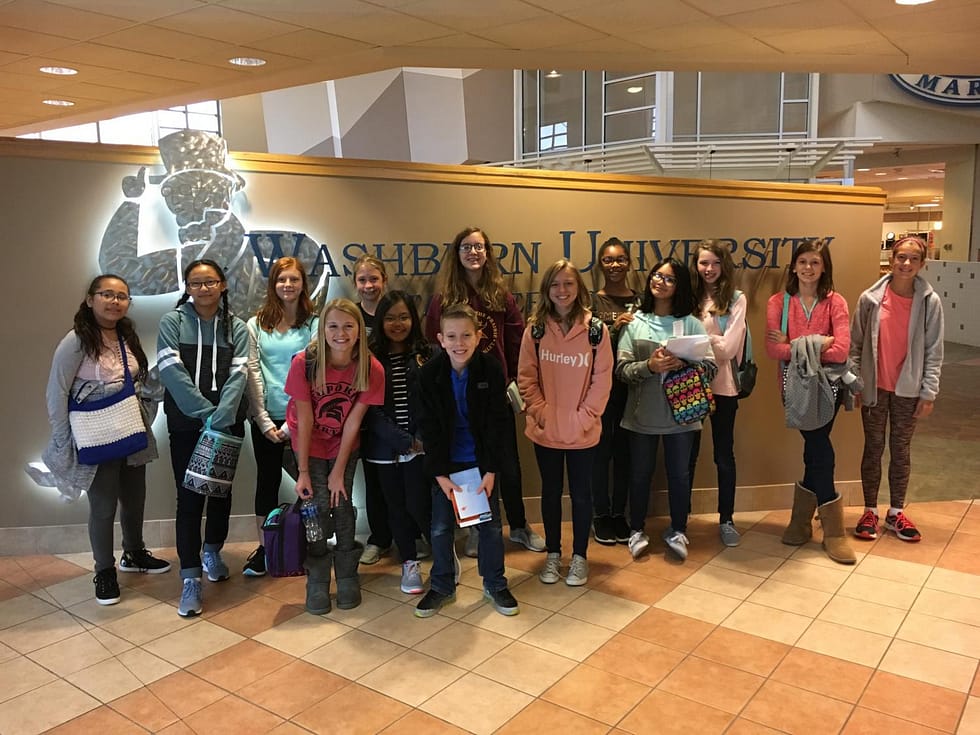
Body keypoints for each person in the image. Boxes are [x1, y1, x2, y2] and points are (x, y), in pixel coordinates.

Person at [42, 275, 169, 605]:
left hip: (130, 426)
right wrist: (61, 439)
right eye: (107, 294)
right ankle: (104, 570)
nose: (114, 301)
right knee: (103, 505)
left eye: (122, 296)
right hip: (96, 432)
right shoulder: (76, 340)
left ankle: (134, 553)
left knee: (135, 496)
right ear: (90, 299)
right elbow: (56, 391)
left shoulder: (127, 334)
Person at [424, 226, 544, 557]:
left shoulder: (500, 296)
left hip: (497, 391)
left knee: (508, 463)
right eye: (466, 247)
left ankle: (519, 526)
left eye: (479, 247)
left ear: (488, 253)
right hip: (459, 393)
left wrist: (515, 382)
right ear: (457, 254)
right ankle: (477, 527)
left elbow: (517, 340)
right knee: (467, 462)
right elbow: (434, 343)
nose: (473, 253)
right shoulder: (443, 299)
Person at [415, 303, 521, 617]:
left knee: (489, 527)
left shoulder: (490, 369)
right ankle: (442, 585)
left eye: (465, 335)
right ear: (440, 339)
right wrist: (440, 475)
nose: (459, 343)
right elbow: (428, 428)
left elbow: (498, 426)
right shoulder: (429, 374)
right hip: (446, 467)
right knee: (440, 529)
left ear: (477, 337)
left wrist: (490, 471)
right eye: (451, 336)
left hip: (481, 464)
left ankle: (495, 583)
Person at [158, 259, 248, 617]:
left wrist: (222, 416)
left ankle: (212, 550)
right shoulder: (172, 322)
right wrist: (204, 413)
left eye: (210, 282)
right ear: (188, 287)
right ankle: (191, 577)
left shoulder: (236, 327)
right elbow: (170, 369)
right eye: (196, 283)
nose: (204, 289)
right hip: (185, 423)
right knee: (189, 497)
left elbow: (240, 374)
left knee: (220, 493)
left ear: (223, 285)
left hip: (227, 424)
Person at [285, 298, 385, 614]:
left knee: (341, 505)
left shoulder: (371, 366)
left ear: (359, 330)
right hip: (308, 445)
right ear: (323, 328)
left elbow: (354, 420)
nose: (340, 333)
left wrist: (339, 470)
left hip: (344, 444)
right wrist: (302, 470)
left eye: (348, 326)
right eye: (333, 326)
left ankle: (346, 573)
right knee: (314, 508)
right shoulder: (305, 362)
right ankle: (316, 578)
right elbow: (305, 417)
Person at [518, 260, 612, 586]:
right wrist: (543, 413)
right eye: (555, 284)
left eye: (568, 284)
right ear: (547, 290)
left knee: (582, 495)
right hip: (546, 430)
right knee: (550, 492)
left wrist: (583, 418)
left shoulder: (597, 331)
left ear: (579, 288)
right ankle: (554, 554)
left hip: (583, 431)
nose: (562, 291)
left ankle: (581, 557)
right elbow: (526, 378)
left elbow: (602, 381)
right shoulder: (536, 330)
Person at [617, 258, 716, 561]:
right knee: (639, 474)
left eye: (669, 279)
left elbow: (710, 368)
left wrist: (683, 363)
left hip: (682, 416)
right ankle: (636, 529)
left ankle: (678, 529)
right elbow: (621, 370)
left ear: (679, 286)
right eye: (657, 276)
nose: (660, 282)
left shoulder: (692, 323)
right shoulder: (635, 321)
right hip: (641, 415)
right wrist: (650, 365)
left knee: (680, 475)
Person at [765, 239, 856, 565]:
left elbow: (842, 350)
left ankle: (817, 526)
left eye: (815, 262)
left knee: (817, 447)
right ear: (794, 266)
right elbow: (774, 350)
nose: (808, 268)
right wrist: (820, 343)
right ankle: (819, 525)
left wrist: (795, 344)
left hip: (828, 387)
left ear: (824, 267)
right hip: (791, 388)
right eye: (803, 261)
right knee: (817, 447)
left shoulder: (836, 303)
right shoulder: (779, 302)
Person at [850, 236, 944, 543]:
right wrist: (855, 382)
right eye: (901, 257)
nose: (906, 264)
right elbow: (856, 345)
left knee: (901, 450)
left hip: (909, 390)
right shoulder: (870, 299)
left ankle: (896, 511)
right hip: (874, 388)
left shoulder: (930, 303)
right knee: (873, 448)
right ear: (892, 259)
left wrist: (928, 392)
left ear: (922, 264)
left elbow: (934, 350)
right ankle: (869, 511)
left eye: (913, 259)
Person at [244, 257, 318, 576]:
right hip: (266, 417)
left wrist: (293, 424)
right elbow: (253, 372)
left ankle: (315, 544)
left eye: (294, 279)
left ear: (303, 284)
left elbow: (315, 372)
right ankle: (267, 548)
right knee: (267, 482)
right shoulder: (256, 323)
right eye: (281, 280)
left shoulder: (315, 323)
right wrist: (264, 420)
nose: (287, 285)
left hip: (305, 416)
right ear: (272, 284)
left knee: (313, 481)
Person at [363, 291, 433, 594]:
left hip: (421, 449)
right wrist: (402, 440)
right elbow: (368, 409)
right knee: (396, 509)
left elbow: (437, 404)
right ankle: (409, 565)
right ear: (380, 321)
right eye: (390, 317)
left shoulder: (429, 353)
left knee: (422, 505)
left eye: (404, 316)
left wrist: (420, 440)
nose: (397, 323)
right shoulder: (368, 356)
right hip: (384, 450)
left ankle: (444, 557)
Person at [689, 240, 747, 547]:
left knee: (723, 455)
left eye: (714, 263)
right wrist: (711, 339)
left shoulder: (736, 299)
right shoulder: (688, 296)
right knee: (687, 456)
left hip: (724, 388)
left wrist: (696, 342)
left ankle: (726, 519)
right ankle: (679, 520)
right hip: (689, 386)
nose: (708, 269)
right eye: (703, 263)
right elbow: (678, 341)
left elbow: (728, 350)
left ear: (724, 265)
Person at [589, 237, 641, 546]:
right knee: (600, 452)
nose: (615, 265)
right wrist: (614, 328)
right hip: (601, 389)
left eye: (620, 259)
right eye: (608, 260)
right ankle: (600, 515)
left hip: (633, 388)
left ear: (629, 263)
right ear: (600, 264)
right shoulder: (593, 302)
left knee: (626, 454)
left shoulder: (642, 299)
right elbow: (587, 344)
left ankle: (619, 514)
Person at [351, 254, 395, 566]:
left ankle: (412, 533)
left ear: (384, 281)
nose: (369, 285)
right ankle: (379, 538)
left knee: (406, 477)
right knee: (375, 479)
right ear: (355, 284)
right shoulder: (349, 317)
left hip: (397, 405)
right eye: (363, 280)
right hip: (364, 410)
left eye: (374, 279)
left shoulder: (396, 313)